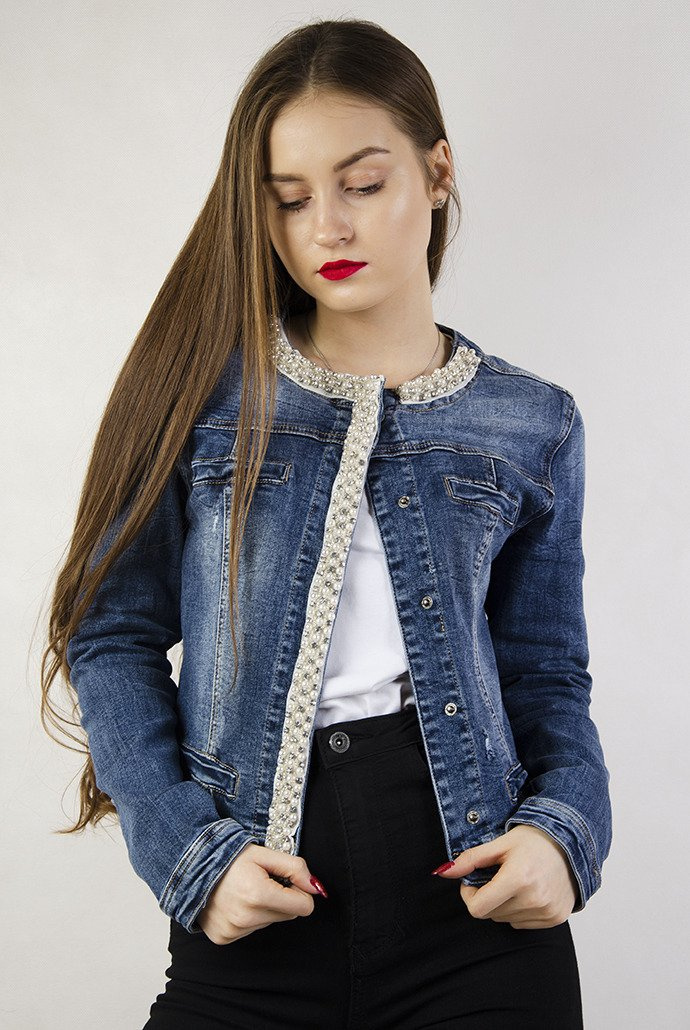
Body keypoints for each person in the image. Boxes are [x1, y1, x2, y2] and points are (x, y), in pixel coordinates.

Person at [42, 17, 612, 1029]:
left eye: (364, 183)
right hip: (257, 909)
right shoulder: (203, 395)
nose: (327, 230)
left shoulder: (533, 422)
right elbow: (110, 632)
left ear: (438, 173)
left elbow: (546, 675)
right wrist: (187, 853)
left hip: (475, 912)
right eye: (291, 199)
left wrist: (565, 833)